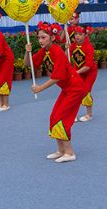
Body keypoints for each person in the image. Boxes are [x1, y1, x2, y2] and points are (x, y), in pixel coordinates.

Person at [28, 23, 86, 163]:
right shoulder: (44, 51)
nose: (40, 40)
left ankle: (69, 152)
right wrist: (27, 52)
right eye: (39, 38)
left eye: (43, 37)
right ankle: (61, 150)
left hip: (75, 88)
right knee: (53, 116)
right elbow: (28, 64)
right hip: (66, 89)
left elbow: (57, 77)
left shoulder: (57, 51)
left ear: (52, 38)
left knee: (61, 118)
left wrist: (39, 88)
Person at [70, 25, 98, 123]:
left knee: (85, 91)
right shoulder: (73, 45)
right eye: (76, 34)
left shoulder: (89, 47)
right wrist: (66, 49)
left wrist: (75, 73)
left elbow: (88, 66)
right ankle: (73, 114)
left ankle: (89, 114)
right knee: (75, 92)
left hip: (90, 72)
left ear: (85, 35)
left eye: (80, 34)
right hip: (78, 72)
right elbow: (67, 57)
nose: (77, 36)